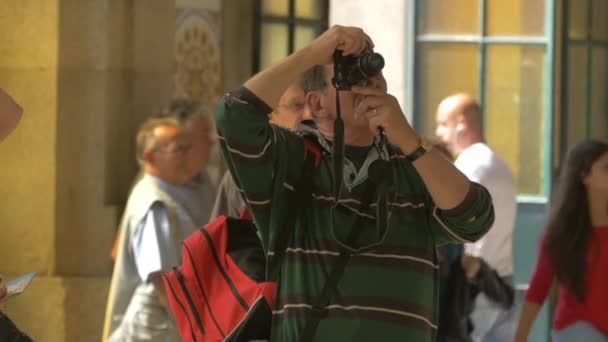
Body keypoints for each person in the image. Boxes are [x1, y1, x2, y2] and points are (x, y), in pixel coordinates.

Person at [215, 25, 495, 341]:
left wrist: (408, 140)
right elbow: (233, 116)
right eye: (351, 76)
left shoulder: (413, 164)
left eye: (372, 68)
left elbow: (475, 218)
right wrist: (313, 53)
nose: (370, 81)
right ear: (317, 104)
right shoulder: (292, 162)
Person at [103, 100, 216, 341]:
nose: (190, 154)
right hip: (155, 329)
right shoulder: (154, 203)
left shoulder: (197, 185)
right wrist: (198, 328)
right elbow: (163, 280)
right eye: (179, 149)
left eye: (189, 147)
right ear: (151, 157)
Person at [435, 93, 518, 341]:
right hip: (501, 284)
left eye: (443, 124)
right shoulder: (501, 165)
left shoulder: (466, 167)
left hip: (473, 288)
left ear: (461, 123)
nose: (439, 133)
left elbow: (463, 227)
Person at [515, 139, 608, 342]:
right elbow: (540, 286)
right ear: (585, 176)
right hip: (577, 328)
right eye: (606, 168)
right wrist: (520, 337)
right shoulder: (563, 233)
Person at [210, 82, 311, 219]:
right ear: (270, 116)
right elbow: (223, 237)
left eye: (315, 105)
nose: (309, 115)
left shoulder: (339, 166)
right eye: (297, 106)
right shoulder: (244, 170)